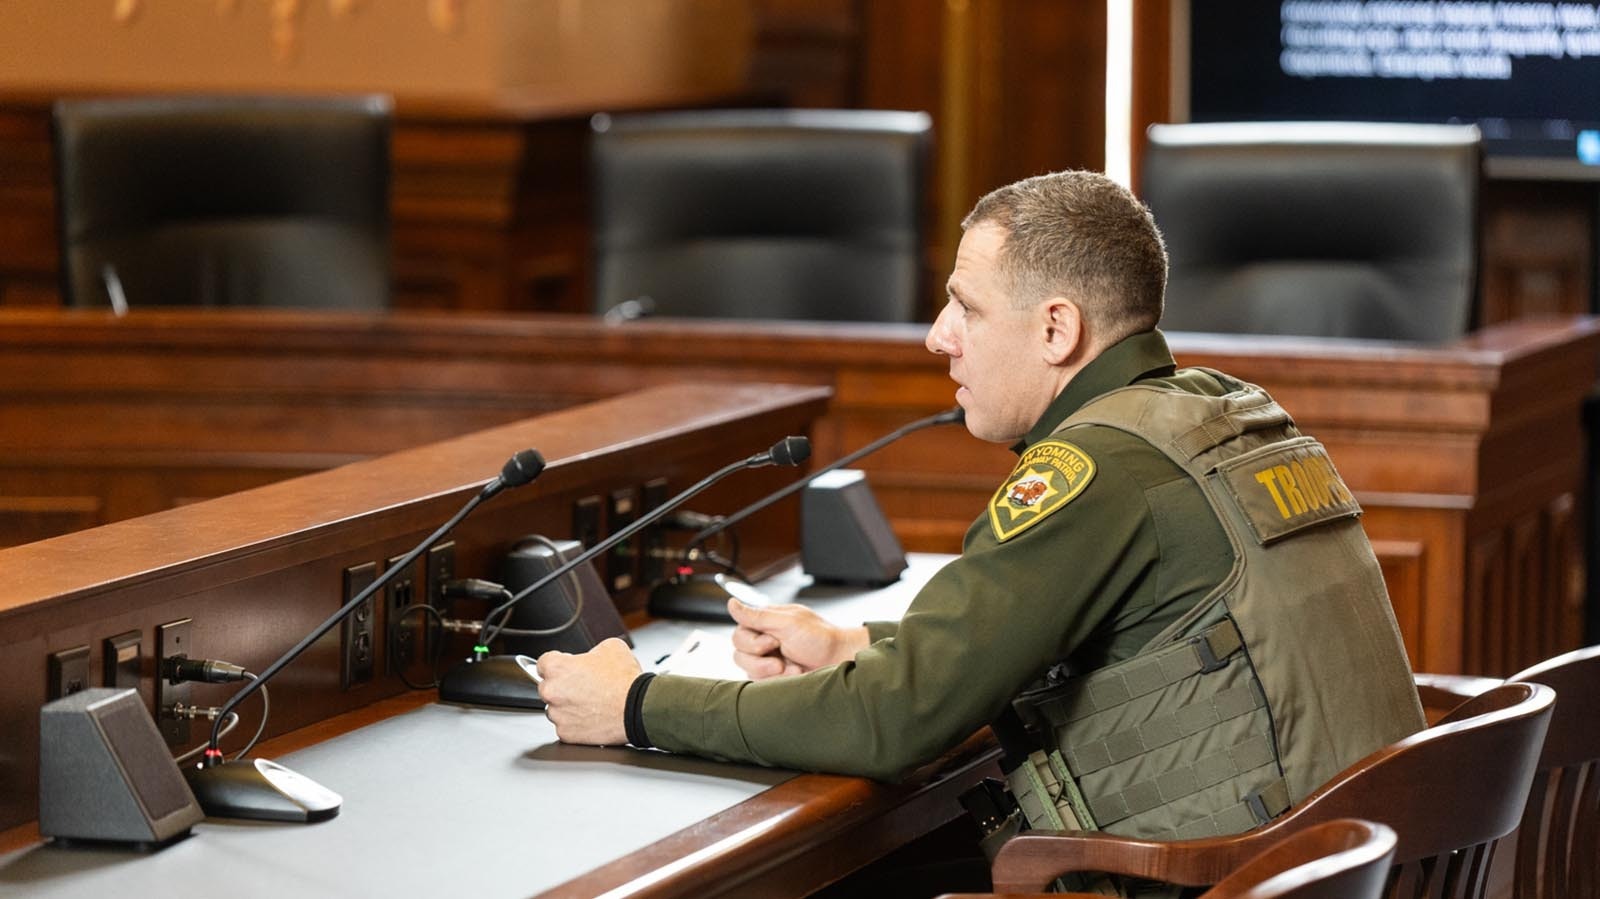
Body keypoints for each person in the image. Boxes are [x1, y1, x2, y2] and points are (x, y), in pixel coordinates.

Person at [536, 170, 1424, 854]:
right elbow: (1123, 643)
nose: (937, 335)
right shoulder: (1231, 414)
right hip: (1347, 867)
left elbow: (896, 725)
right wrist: (860, 648)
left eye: (965, 305)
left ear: (1055, 331)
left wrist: (638, 703)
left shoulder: (1095, 468)